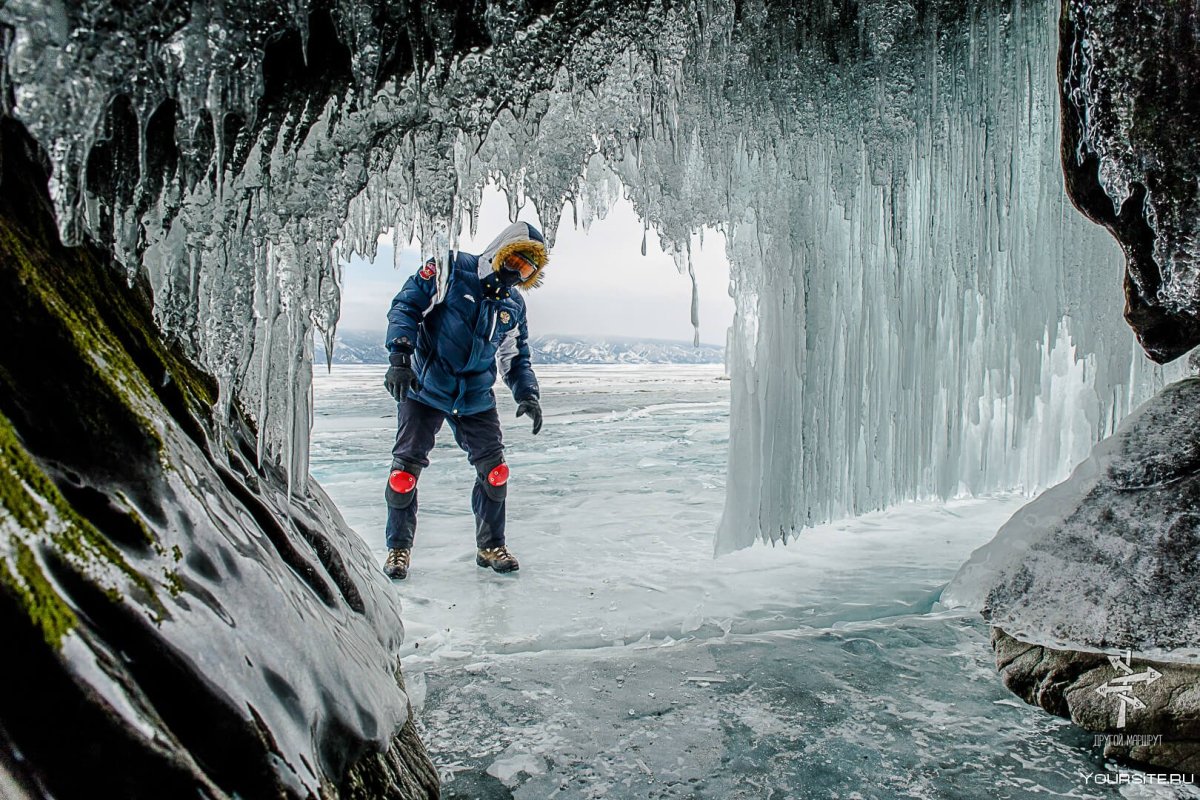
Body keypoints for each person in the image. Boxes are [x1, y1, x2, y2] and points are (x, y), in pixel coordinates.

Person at [380, 221, 547, 580]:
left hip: (475, 397)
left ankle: (490, 546)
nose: (517, 274)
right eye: (515, 262)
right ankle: (398, 550)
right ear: (503, 251)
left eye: (527, 270)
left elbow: (515, 356)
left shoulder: (512, 306)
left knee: (496, 473)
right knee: (403, 476)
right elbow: (406, 306)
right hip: (425, 387)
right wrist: (400, 358)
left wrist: (527, 393)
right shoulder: (451, 269)